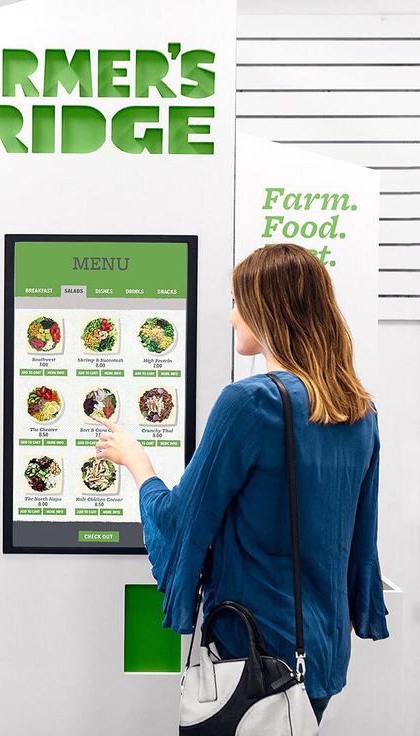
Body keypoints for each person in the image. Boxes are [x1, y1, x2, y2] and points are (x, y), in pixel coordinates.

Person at [95, 243, 389, 725]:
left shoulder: (250, 404)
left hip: (256, 652)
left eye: (237, 302)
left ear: (267, 310)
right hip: (323, 651)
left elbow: (182, 520)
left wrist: (138, 464)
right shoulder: (359, 410)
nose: (231, 317)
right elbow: (361, 539)